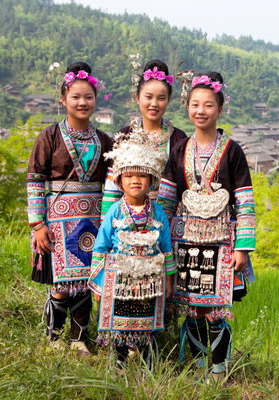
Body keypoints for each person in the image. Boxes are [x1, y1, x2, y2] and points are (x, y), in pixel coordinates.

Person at [156, 71, 256, 381]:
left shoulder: (232, 150)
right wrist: (159, 239)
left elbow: (244, 199)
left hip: (222, 240)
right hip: (184, 239)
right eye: (195, 104)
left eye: (208, 104)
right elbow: (167, 198)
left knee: (217, 309)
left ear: (220, 109)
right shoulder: (179, 148)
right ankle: (198, 363)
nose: (201, 111)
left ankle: (218, 366)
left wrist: (242, 246)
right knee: (192, 307)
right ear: (187, 107)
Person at [27, 61, 113, 355]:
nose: (82, 102)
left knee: (86, 284)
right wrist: (38, 225)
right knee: (61, 286)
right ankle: (53, 337)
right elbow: (35, 181)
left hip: (93, 223)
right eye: (76, 96)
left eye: (88, 97)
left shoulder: (104, 141)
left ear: (95, 100)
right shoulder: (48, 137)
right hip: (56, 223)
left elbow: (113, 185)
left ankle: (78, 339)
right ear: (63, 99)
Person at [89, 122, 175, 371]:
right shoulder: (114, 212)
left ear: (151, 180)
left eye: (141, 175)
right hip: (120, 280)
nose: (135, 181)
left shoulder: (157, 213)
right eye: (128, 176)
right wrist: (99, 284)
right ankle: (120, 364)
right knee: (121, 322)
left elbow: (166, 248)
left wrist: (169, 279)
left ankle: (149, 366)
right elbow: (101, 246)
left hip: (149, 281)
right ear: (119, 181)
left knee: (146, 322)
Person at [101, 59, 187, 219]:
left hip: (169, 219)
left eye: (161, 98)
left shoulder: (179, 138)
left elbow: (184, 186)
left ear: (168, 100)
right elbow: (113, 186)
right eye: (148, 97)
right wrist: (107, 223)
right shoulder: (124, 136)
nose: (154, 103)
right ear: (137, 97)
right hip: (128, 219)